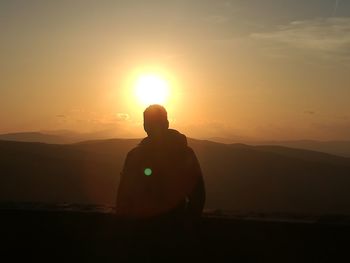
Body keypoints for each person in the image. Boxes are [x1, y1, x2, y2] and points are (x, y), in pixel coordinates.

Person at [116, 104, 205, 224]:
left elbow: (123, 197)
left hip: (142, 230)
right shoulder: (184, 154)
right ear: (167, 123)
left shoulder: (134, 157)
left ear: (144, 126)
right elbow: (198, 196)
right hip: (174, 228)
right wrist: (186, 225)